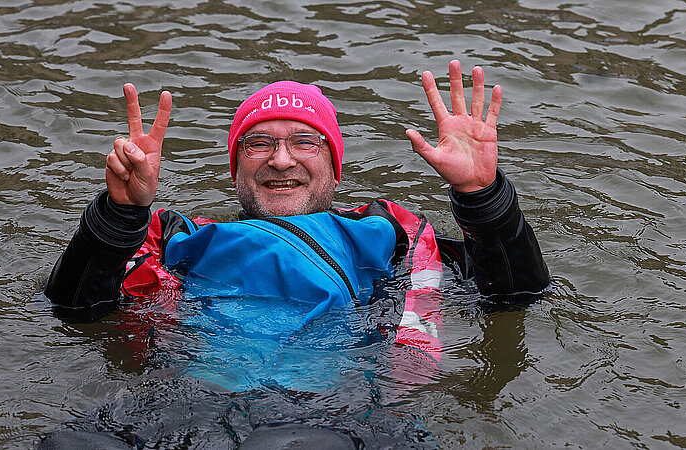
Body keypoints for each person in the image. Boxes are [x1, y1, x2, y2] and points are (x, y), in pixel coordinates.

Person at [44, 60, 550, 388]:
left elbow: (516, 296)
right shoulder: (175, 237)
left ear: (334, 167)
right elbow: (74, 310)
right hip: (188, 405)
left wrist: (482, 195)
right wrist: (120, 212)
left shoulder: (389, 237)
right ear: (236, 168)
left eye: (305, 142)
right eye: (259, 143)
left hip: (341, 412)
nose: (281, 159)